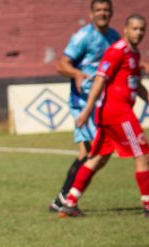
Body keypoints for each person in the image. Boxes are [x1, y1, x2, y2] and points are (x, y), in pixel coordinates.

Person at [59, 14, 149, 217]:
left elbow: (135, 85)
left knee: (98, 158)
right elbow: (100, 79)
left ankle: (69, 203)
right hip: (117, 112)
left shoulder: (133, 54)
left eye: (142, 29)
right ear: (125, 29)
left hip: (115, 113)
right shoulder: (117, 51)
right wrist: (88, 109)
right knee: (143, 154)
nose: (139, 33)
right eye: (135, 28)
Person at [49, 0, 120, 212]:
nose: (102, 13)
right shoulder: (82, 37)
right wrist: (78, 73)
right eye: (98, 10)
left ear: (111, 13)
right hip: (82, 102)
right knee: (92, 153)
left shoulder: (114, 37)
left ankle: (62, 199)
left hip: (102, 103)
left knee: (94, 154)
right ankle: (65, 199)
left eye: (106, 10)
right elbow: (61, 65)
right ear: (91, 14)